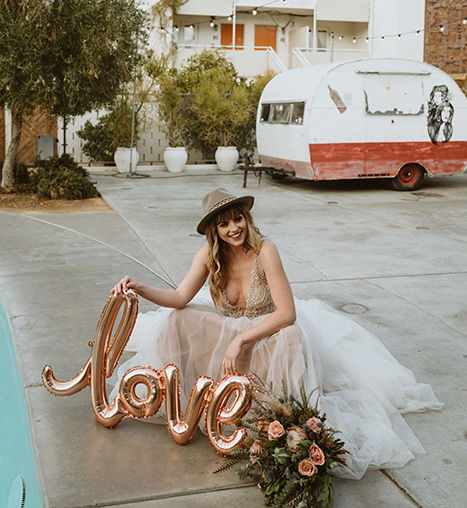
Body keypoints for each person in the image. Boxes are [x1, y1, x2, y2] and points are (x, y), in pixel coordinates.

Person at [111, 188, 442, 480]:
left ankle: (276, 420)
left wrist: (242, 339)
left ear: (247, 218)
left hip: (266, 331)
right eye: (224, 224)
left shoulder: (265, 250)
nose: (233, 228)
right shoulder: (210, 254)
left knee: (292, 337)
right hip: (227, 327)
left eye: (238, 219)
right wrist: (138, 286)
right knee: (178, 318)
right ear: (215, 229)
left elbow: (287, 313)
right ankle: (190, 402)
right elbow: (180, 297)